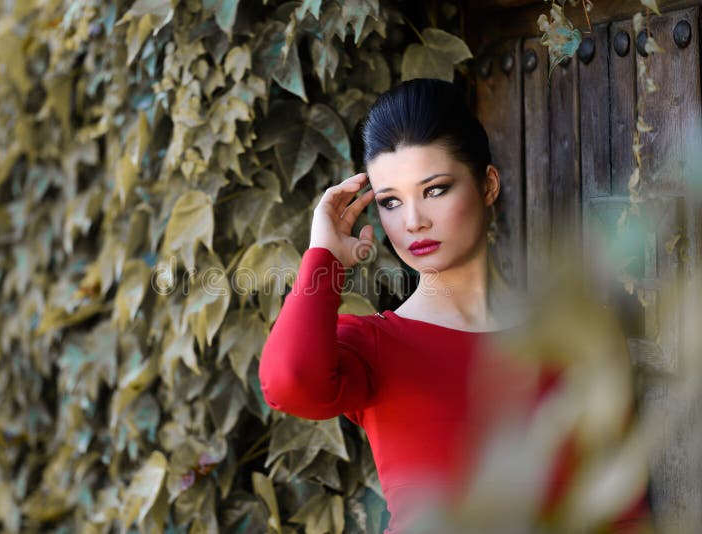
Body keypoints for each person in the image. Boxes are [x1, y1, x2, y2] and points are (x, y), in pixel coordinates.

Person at [258, 78, 652, 532]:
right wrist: (322, 255)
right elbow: (287, 382)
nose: (413, 221)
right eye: (390, 201)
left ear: (487, 184)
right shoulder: (373, 345)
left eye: (435, 189)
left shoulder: (577, 333)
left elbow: (623, 508)